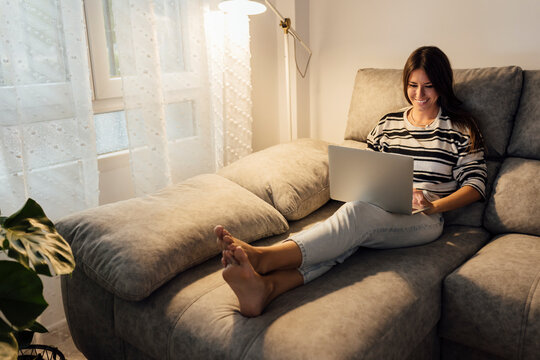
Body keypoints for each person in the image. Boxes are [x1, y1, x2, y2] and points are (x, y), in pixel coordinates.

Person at [214, 46, 487, 317]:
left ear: (442, 85)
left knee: (355, 217)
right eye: (413, 85)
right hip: (380, 207)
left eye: (428, 86)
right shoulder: (387, 124)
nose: (419, 94)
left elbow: (475, 186)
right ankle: (267, 288)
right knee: (347, 234)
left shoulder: (460, 129)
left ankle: (266, 258)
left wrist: (434, 206)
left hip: (428, 218)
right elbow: (369, 171)